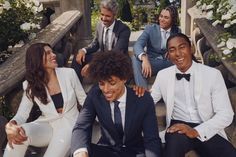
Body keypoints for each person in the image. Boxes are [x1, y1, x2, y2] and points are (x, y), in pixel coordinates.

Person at [151, 33, 236, 157]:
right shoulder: (163, 75)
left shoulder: (213, 75)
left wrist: (196, 131)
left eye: (182, 47)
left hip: (207, 126)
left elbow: (226, 114)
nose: (178, 53)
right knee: (171, 151)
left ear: (191, 48)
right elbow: (148, 101)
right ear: (168, 55)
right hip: (177, 127)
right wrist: (135, 94)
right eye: (172, 50)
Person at [71, 51, 162, 157]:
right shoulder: (95, 95)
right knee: (79, 150)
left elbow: (152, 139)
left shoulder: (143, 99)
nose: (105, 89)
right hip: (106, 150)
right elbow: (81, 126)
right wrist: (80, 152)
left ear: (124, 79)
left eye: (112, 83)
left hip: (134, 152)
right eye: (101, 83)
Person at [3, 43, 87, 157]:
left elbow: (84, 101)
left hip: (70, 125)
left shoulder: (69, 74)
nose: (53, 55)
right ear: (36, 60)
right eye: (48, 53)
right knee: (19, 135)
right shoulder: (30, 85)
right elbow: (22, 114)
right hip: (48, 125)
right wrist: (11, 125)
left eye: (52, 52)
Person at [71, 0, 131, 82]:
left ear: (115, 15)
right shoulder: (100, 25)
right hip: (102, 59)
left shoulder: (124, 29)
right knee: (78, 58)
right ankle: (76, 88)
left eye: (107, 16)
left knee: (101, 69)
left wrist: (94, 63)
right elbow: (95, 44)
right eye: (102, 14)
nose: (103, 18)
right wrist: (83, 50)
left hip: (117, 62)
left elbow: (116, 53)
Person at [131, 5, 181, 89]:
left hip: (169, 63)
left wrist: (173, 50)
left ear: (172, 20)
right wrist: (144, 58)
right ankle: (144, 94)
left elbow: (184, 47)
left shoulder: (177, 31)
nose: (161, 19)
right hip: (152, 63)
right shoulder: (150, 29)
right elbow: (138, 45)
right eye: (161, 16)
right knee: (135, 59)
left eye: (166, 17)